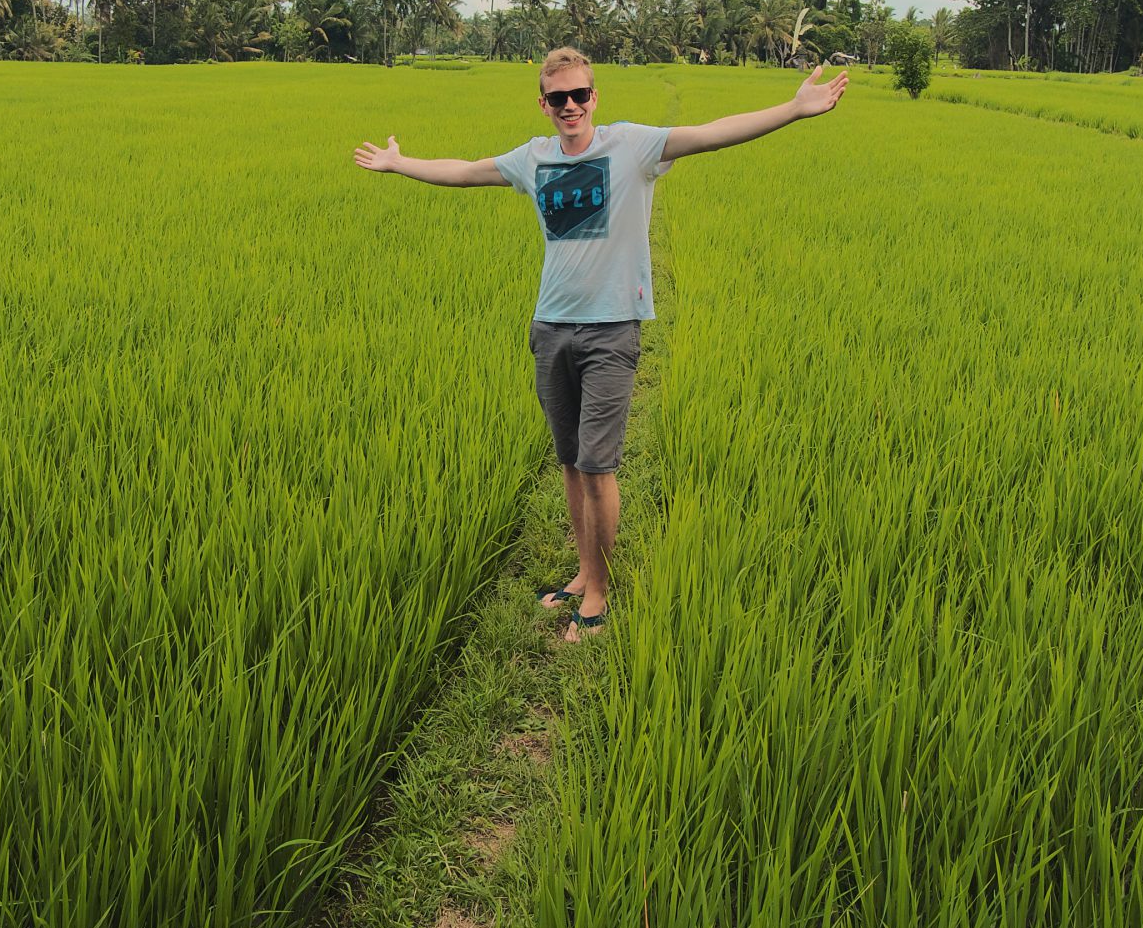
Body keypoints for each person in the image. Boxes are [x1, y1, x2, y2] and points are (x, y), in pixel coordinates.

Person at [352, 46, 848, 641]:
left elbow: (712, 134)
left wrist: (792, 109)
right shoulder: (531, 159)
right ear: (543, 104)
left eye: (579, 95)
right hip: (550, 326)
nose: (570, 106)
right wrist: (400, 163)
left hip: (612, 329)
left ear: (595, 97)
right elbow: (464, 170)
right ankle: (583, 575)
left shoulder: (632, 146)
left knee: (596, 465)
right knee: (568, 461)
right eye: (558, 98)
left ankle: (600, 595)